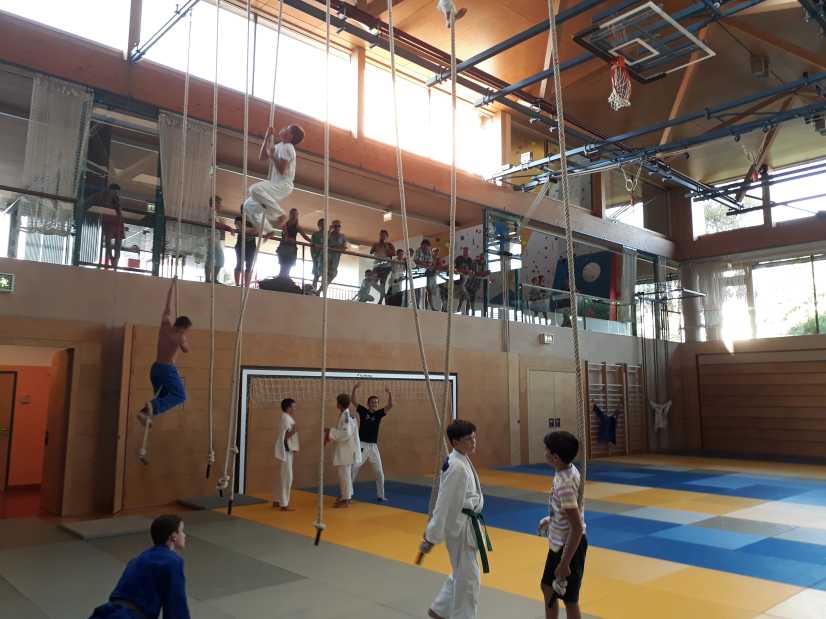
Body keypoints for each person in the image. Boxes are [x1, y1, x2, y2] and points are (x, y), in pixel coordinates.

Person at [421, 420, 490, 619]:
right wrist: (431, 536)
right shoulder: (456, 467)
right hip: (461, 529)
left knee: (462, 572)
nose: (473, 442)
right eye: (469, 439)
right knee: (469, 580)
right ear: (455, 442)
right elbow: (444, 503)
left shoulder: (460, 459)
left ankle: (440, 609)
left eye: (474, 437)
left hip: (465, 525)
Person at [89, 514, 190, 618]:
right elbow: (176, 606)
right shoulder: (172, 561)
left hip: (106, 613)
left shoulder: (138, 559)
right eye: (182, 531)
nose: (184, 535)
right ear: (173, 536)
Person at [537, 431, 587, 619]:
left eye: (546, 450)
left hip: (569, 546)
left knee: (570, 600)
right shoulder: (567, 470)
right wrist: (551, 519)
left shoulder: (564, 483)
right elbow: (567, 510)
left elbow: (577, 527)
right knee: (547, 587)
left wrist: (565, 563)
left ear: (555, 457)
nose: (544, 452)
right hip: (559, 543)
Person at [137, 278, 191, 426]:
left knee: (163, 396)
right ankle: (151, 408)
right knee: (180, 396)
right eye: (187, 329)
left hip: (155, 369)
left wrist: (172, 286)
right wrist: (184, 339)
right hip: (167, 370)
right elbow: (186, 350)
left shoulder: (165, 324)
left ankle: (144, 413)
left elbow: (167, 307)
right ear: (183, 328)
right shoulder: (180, 337)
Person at [242, 124, 304, 236]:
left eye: (287, 129)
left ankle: (280, 214)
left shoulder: (288, 147)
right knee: (248, 205)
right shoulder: (280, 145)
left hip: (283, 185)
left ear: (290, 136)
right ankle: (268, 230)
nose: (283, 129)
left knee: (254, 189)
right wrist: (267, 137)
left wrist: (272, 156)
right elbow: (262, 157)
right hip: (276, 184)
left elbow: (282, 170)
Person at [350, 383, 393, 502]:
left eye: (376, 403)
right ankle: (347, 495)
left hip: (373, 447)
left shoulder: (379, 414)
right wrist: (354, 389)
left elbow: (390, 405)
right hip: (362, 445)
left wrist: (389, 393)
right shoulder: (363, 411)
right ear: (368, 403)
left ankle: (381, 495)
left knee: (379, 471)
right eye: (372, 402)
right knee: (354, 468)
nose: (374, 404)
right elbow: (353, 401)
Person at [325, 393, 361, 508]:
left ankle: (346, 499)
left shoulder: (346, 416)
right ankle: (347, 496)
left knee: (344, 475)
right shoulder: (345, 415)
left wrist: (331, 432)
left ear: (339, 404)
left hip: (346, 451)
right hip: (346, 450)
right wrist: (331, 431)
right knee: (345, 475)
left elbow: (346, 433)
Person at [273, 398, 299, 511]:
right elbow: (285, 436)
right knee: (287, 477)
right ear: (288, 408)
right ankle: (284, 504)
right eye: (293, 406)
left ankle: (277, 499)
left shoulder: (286, 417)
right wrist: (294, 431)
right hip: (286, 451)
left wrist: (295, 447)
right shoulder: (285, 418)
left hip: (288, 450)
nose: (295, 408)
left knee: (282, 476)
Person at [95, 183, 124, 271]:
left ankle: (115, 264)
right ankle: (112, 261)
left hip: (116, 221)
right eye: (114, 191)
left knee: (118, 244)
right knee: (109, 242)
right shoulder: (104, 197)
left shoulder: (116, 199)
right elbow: (105, 207)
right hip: (110, 221)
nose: (115, 193)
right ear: (110, 190)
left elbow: (119, 211)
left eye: (116, 192)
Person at [205, 196, 234, 284]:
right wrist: (227, 227)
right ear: (215, 203)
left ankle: (212, 279)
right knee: (216, 258)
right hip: (211, 237)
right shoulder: (211, 211)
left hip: (214, 238)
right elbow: (212, 223)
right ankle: (209, 279)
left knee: (216, 258)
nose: (221, 206)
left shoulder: (214, 213)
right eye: (219, 203)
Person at [277, 208, 311, 279]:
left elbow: (305, 236)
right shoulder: (285, 224)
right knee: (283, 265)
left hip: (291, 247)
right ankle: (281, 279)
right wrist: (288, 238)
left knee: (288, 265)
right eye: (292, 214)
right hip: (284, 246)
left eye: (295, 214)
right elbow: (285, 234)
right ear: (290, 215)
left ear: (297, 215)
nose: (294, 215)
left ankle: (284, 279)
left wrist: (313, 242)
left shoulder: (297, 227)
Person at [370, 229, 396, 304]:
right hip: (377, 265)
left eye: (384, 235)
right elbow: (371, 252)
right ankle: (384, 295)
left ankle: (381, 300)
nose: (382, 237)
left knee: (382, 283)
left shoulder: (390, 245)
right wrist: (375, 246)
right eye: (381, 235)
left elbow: (394, 253)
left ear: (387, 237)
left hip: (386, 266)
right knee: (372, 281)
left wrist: (386, 247)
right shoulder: (376, 244)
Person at [234, 214, 258, 287]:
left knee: (249, 266)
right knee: (239, 264)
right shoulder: (239, 218)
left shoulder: (255, 220)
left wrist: (246, 229)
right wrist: (250, 229)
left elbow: (257, 231)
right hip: (240, 245)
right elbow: (239, 227)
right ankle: (237, 284)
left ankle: (246, 285)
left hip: (251, 246)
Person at [414, 239, 438, 310]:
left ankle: (431, 306)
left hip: (427, 271)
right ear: (422, 245)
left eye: (427, 247)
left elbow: (430, 262)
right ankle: (417, 306)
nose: (425, 248)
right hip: (419, 271)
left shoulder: (429, 251)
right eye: (424, 246)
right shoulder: (418, 250)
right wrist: (425, 264)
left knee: (429, 289)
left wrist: (426, 264)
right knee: (418, 289)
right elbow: (416, 260)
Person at [454, 247, 474, 315]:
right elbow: (455, 268)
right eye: (464, 251)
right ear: (463, 251)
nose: (465, 252)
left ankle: (465, 310)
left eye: (466, 251)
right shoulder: (459, 258)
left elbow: (471, 270)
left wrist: (469, 272)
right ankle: (459, 309)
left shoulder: (470, 260)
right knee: (463, 295)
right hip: (459, 279)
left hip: (466, 279)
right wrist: (460, 271)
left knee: (463, 296)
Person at [310, 218, 325, 290]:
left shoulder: (328, 234)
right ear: (319, 225)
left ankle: (320, 291)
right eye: (322, 224)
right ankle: (313, 289)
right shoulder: (315, 234)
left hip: (325, 258)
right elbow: (312, 246)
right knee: (316, 275)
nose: (323, 225)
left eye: (324, 224)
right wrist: (313, 256)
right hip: (317, 256)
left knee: (324, 275)